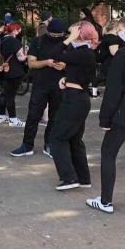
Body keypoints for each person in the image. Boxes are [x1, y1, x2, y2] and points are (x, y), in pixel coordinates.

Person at [86, 14, 125, 218]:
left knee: (108, 153)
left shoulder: (124, 55)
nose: (119, 34)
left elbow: (113, 90)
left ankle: (105, 200)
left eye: (120, 30)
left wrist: (105, 119)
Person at [48, 22, 98, 191]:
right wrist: (66, 79)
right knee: (75, 140)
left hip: (75, 100)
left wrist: (68, 39)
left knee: (57, 138)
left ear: (78, 34)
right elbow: (76, 72)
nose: (67, 35)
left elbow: (53, 54)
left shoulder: (83, 53)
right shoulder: (83, 53)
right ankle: (83, 178)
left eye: (71, 32)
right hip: (78, 97)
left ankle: (69, 178)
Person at [10, 19, 67, 157]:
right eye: (53, 35)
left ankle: (49, 144)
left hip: (59, 86)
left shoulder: (66, 42)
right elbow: (31, 64)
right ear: (48, 31)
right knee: (33, 116)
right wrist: (46, 62)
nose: (56, 37)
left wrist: (65, 65)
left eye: (59, 35)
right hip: (40, 85)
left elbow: (74, 61)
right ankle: (27, 145)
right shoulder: (38, 42)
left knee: (55, 116)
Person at [0, 23, 27, 127]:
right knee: (11, 96)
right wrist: (26, 54)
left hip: (4, 70)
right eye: (19, 30)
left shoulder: (1, 40)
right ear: (14, 31)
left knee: (4, 94)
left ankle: (1, 116)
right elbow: (21, 58)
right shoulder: (15, 41)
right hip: (14, 71)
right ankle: (13, 119)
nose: (19, 32)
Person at [80, 7, 103, 98]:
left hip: (83, 50)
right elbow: (101, 38)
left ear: (86, 15)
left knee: (82, 70)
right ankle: (94, 93)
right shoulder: (97, 26)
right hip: (93, 51)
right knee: (92, 72)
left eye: (81, 14)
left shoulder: (83, 25)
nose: (80, 16)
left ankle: (84, 90)